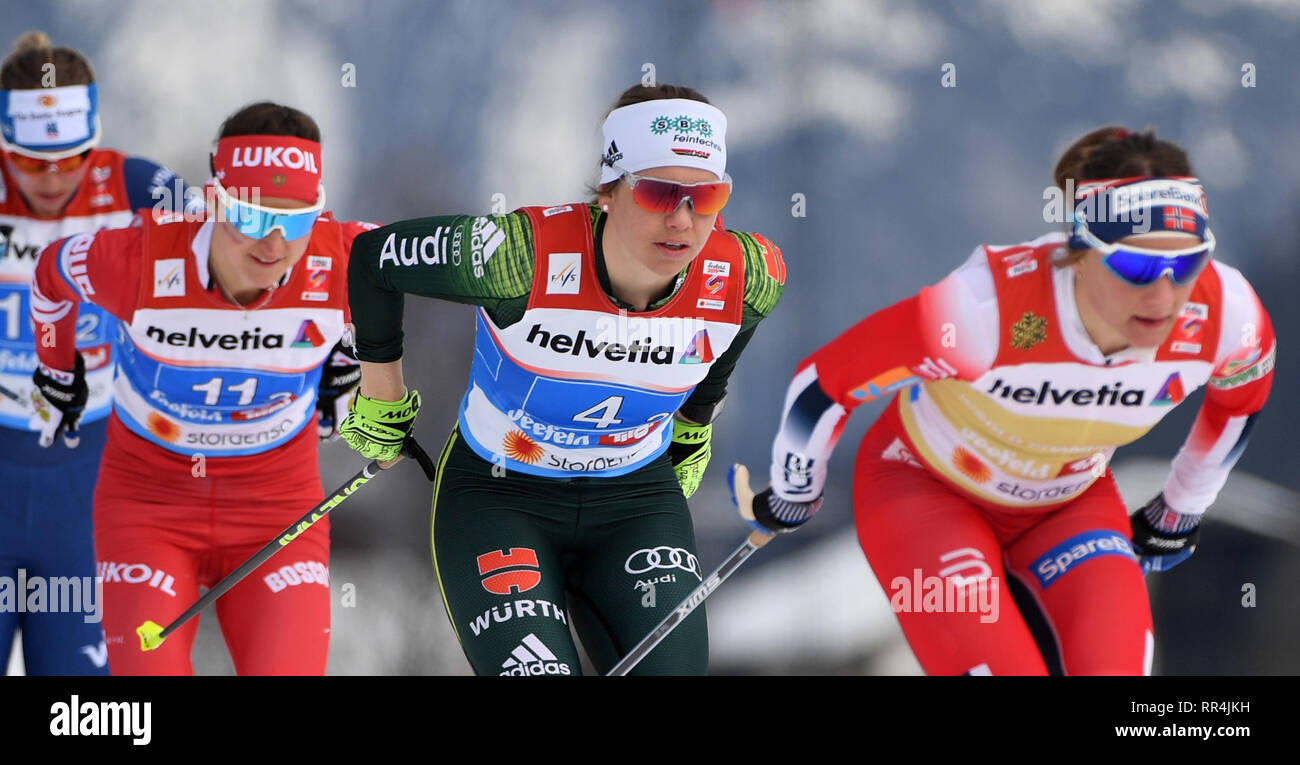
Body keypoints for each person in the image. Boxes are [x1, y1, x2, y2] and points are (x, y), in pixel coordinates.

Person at [733, 126, 1275, 675]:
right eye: (1134, 266)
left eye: (1186, 263)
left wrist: (1181, 509)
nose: (1163, 295)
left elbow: (1239, 403)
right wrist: (797, 486)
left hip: (1068, 503)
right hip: (926, 492)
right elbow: (825, 381)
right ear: (1080, 253)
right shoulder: (985, 311)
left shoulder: (1228, 315)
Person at [340, 83, 785, 675]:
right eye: (657, 192)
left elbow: (729, 338)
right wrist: (381, 400)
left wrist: (694, 425)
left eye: (705, 198)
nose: (682, 219)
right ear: (608, 189)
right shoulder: (519, 258)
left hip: (636, 504)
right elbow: (375, 260)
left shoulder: (747, 274)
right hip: (501, 496)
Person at [29, 101, 373, 675]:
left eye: (295, 220)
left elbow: (415, 282)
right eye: (252, 216)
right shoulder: (137, 259)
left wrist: (356, 355)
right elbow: (50, 273)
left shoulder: (345, 257)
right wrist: (59, 370)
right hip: (148, 507)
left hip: (277, 511)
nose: (274, 244)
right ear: (213, 201)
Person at [0, 31, 196, 675]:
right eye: (30, 162)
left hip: (90, 489)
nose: (53, 179)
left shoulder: (135, 186)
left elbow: (235, 250)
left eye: (70, 157)